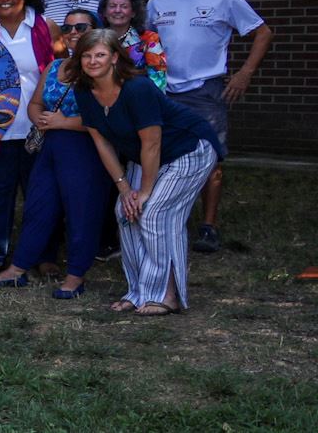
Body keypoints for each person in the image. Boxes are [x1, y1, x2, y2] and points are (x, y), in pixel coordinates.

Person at [74, 29, 224, 316]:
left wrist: (143, 192)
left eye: (100, 55)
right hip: (145, 156)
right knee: (125, 212)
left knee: (154, 212)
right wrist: (124, 189)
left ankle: (167, 295)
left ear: (115, 58)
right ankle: (139, 291)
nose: (93, 61)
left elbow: (152, 142)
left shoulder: (136, 88)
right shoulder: (84, 91)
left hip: (188, 148)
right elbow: (101, 142)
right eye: (87, 55)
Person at [148, 0, 270, 255]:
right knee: (163, 157)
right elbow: (144, 42)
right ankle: (170, 218)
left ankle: (209, 227)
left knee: (210, 160)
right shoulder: (157, 3)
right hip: (164, 92)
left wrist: (245, 73)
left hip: (206, 91)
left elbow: (263, 32)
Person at [0, 15, 103, 297]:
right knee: (39, 205)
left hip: (85, 149)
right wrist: (41, 119)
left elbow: (106, 117)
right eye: (67, 27)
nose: (73, 32)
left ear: (94, 31)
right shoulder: (56, 66)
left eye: (81, 27)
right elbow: (36, 103)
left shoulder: (102, 68)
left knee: (80, 211)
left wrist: (63, 122)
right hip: (49, 147)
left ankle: (75, 276)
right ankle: (18, 269)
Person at [0, 0, 53, 276]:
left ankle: (44, 253)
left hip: (38, 126)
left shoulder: (45, 27)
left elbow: (59, 70)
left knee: (40, 193)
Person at [101, 0, 167, 90]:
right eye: (112, 6)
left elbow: (158, 81)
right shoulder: (96, 39)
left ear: (133, 13)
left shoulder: (149, 39)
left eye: (124, 6)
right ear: (104, 11)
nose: (117, 10)